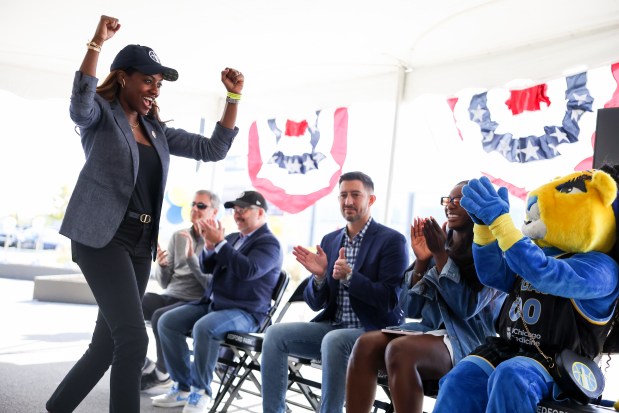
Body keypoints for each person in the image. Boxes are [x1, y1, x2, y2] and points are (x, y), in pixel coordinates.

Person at [45, 15, 243, 413]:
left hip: (138, 244)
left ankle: (56, 407)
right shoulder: (101, 116)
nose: (154, 89)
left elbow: (213, 149)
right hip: (101, 237)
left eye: (159, 83)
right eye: (147, 80)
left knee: (106, 346)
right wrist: (96, 44)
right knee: (134, 338)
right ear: (124, 79)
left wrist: (233, 99)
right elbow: (80, 103)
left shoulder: (156, 130)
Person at [345, 181, 505, 413]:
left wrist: (440, 255)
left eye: (458, 200)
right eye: (447, 200)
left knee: (399, 350)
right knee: (365, 344)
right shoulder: (439, 245)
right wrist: (422, 260)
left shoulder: (493, 253)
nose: (450, 205)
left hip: (469, 341)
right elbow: (409, 308)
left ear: (478, 206)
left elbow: (465, 308)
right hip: (429, 333)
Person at [260, 171, 409, 413]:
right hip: (334, 327)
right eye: (343, 195)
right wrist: (319, 277)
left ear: (371, 200)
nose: (348, 201)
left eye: (355, 195)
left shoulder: (391, 241)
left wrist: (351, 277)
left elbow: (391, 301)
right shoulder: (330, 240)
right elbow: (317, 303)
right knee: (275, 334)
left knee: (334, 341)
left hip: (374, 331)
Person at [151, 190, 283, 412]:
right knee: (167, 322)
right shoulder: (233, 238)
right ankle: (183, 387)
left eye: (243, 210)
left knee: (205, 327)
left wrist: (220, 244)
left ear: (260, 212)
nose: (237, 214)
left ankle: (201, 392)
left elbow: (248, 271)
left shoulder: (270, 244)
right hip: (215, 305)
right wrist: (210, 248)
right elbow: (207, 267)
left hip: (246, 312)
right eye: (235, 210)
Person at [140, 190, 220, 391]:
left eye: (201, 206)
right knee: (130, 304)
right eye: (193, 204)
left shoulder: (217, 241)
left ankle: (162, 373)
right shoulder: (179, 236)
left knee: (160, 316)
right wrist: (163, 265)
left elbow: (210, 285)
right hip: (170, 294)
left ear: (214, 211)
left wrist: (193, 260)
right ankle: (141, 360)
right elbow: (165, 283)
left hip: (194, 301)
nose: (195, 209)